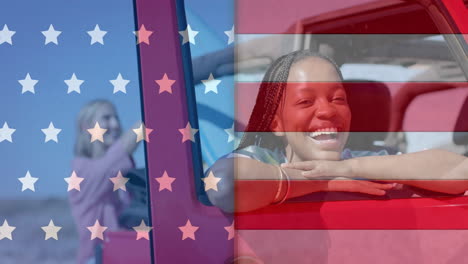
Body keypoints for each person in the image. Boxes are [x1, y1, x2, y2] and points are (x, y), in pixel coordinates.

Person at [206, 50, 468, 214]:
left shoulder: (367, 159)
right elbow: (226, 184)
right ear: (277, 125)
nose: (328, 111)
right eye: (305, 102)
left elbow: (461, 172)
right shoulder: (260, 158)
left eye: (338, 99)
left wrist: (348, 169)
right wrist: (320, 181)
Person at [71, 99, 141, 264]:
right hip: (96, 259)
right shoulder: (81, 169)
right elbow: (111, 163)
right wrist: (153, 109)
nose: (116, 125)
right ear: (86, 126)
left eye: (116, 118)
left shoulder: (121, 178)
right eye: (106, 118)